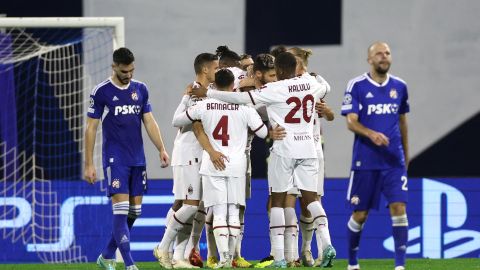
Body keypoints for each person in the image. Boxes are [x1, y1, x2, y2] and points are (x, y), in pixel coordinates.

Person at [204, 52, 328, 268]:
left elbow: (240, 99)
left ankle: (279, 257)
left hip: (285, 149)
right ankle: (326, 244)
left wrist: (209, 93)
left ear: (279, 70)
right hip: (309, 147)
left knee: (278, 201)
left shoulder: (274, 89)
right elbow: (326, 86)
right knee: (312, 200)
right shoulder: (309, 83)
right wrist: (316, 78)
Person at [84, 47, 170, 270]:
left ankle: (106, 254)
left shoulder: (140, 89)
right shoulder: (101, 91)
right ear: (114, 67)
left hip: (137, 158)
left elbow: (149, 121)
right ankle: (130, 264)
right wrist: (89, 164)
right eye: (124, 71)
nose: (129, 75)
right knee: (121, 211)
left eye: (131, 70)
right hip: (116, 159)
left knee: (135, 212)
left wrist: (161, 148)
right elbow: (91, 128)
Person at [174, 68, 269, 268]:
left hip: (212, 164)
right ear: (233, 84)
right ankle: (230, 257)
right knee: (233, 212)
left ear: (214, 85)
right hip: (237, 165)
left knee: (217, 213)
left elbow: (177, 120)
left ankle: (223, 257)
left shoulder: (205, 105)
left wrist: (185, 98)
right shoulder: (245, 107)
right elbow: (262, 133)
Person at [341, 42, 409, 270]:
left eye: (387, 53)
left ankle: (400, 266)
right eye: (379, 53)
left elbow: (402, 122)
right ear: (369, 59)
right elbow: (351, 121)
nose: (384, 56)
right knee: (360, 214)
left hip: (393, 160)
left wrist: (405, 156)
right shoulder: (357, 85)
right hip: (366, 159)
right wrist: (371, 134)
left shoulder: (400, 86)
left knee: (399, 207)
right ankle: (352, 263)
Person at [153, 53, 219, 269]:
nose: (217, 71)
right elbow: (176, 120)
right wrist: (196, 107)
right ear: (205, 70)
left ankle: (179, 257)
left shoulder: (206, 92)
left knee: (192, 204)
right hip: (189, 153)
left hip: (198, 154)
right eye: (215, 68)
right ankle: (163, 247)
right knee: (190, 206)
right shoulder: (195, 92)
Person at [288, 47, 336, 267]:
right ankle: (293, 254)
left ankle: (308, 251)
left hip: (310, 148)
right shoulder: (312, 84)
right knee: (296, 201)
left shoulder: (313, 81)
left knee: (309, 202)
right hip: (296, 149)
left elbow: (330, 114)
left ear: (300, 63)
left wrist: (326, 112)